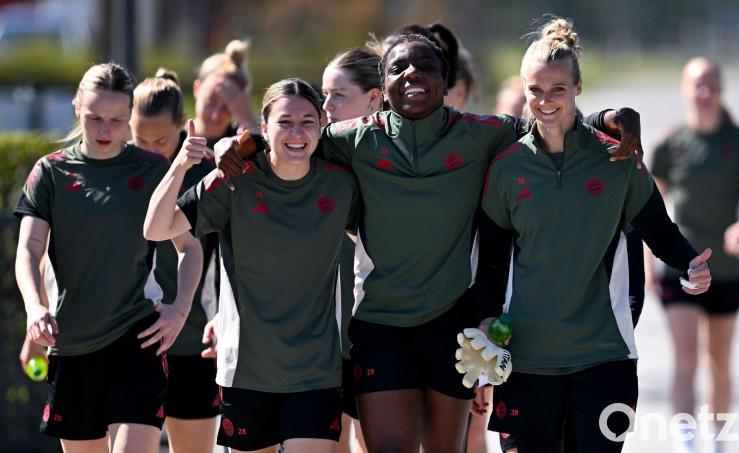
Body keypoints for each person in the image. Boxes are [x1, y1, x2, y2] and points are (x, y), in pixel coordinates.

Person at [215, 31, 644, 452]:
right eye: (398, 68)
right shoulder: (352, 138)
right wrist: (235, 144)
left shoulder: (482, 132)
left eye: (425, 66)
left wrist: (606, 118)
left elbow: (549, 120)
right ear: (383, 85)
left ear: (445, 80)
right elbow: (289, 140)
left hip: (451, 323)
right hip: (381, 324)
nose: (411, 74)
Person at [471, 18, 713, 452]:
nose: (545, 101)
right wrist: (486, 321)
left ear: (578, 88)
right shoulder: (507, 167)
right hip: (525, 359)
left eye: (557, 89)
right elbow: (490, 258)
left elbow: (660, 230)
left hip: (603, 355)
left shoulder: (617, 158)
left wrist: (691, 264)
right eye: (535, 90)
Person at [144, 78, 359, 453]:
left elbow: (382, 242)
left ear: (322, 125)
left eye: (307, 121)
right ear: (264, 127)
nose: (296, 132)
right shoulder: (233, 180)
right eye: (285, 122)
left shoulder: (340, 184)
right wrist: (181, 164)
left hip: (316, 372)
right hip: (245, 372)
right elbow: (157, 228)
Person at [14, 62, 203, 453]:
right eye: (94, 118)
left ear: (130, 115)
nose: (105, 130)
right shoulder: (50, 172)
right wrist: (34, 308)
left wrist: (180, 309)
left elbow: (190, 247)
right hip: (71, 344)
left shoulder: (152, 169)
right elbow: (29, 250)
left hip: (137, 338)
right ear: (76, 107)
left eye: (117, 120)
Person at [646, 57, 739, 453]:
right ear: (684, 90)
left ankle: (717, 441)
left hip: (727, 269)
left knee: (719, 363)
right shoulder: (670, 143)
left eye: (711, 83)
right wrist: (648, 266)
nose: (704, 91)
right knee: (685, 360)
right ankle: (686, 443)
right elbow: (649, 209)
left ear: (721, 89)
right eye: (697, 84)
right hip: (680, 267)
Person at [130, 68, 219, 453]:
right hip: (131, 338)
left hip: (192, 339)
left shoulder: (209, 170)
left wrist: (194, 311)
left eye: (161, 141)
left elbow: (218, 252)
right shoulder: (120, 166)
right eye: (140, 139)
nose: (150, 150)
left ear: (183, 126)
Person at [321, 46, 383, 453]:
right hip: (318, 342)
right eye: (324, 94)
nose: (326, 106)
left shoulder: (394, 163)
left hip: (375, 332)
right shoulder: (314, 154)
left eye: (338, 96)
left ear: (374, 98)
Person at [192, 39, 259, 143]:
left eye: (227, 106)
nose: (216, 116)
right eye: (211, 101)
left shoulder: (242, 143)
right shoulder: (172, 138)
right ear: (197, 89)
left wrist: (247, 118)